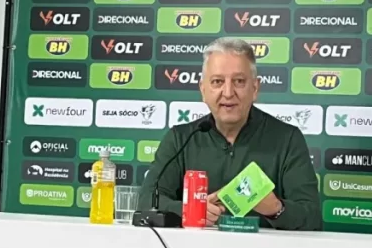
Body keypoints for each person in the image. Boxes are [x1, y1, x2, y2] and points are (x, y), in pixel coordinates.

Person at [137, 37, 322, 230]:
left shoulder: (287, 139)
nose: (228, 92)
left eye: (239, 81)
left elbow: (312, 218)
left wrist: (276, 209)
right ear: (203, 90)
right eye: (217, 82)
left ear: (255, 88)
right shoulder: (180, 139)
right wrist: (190, 210)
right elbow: (147, 203)